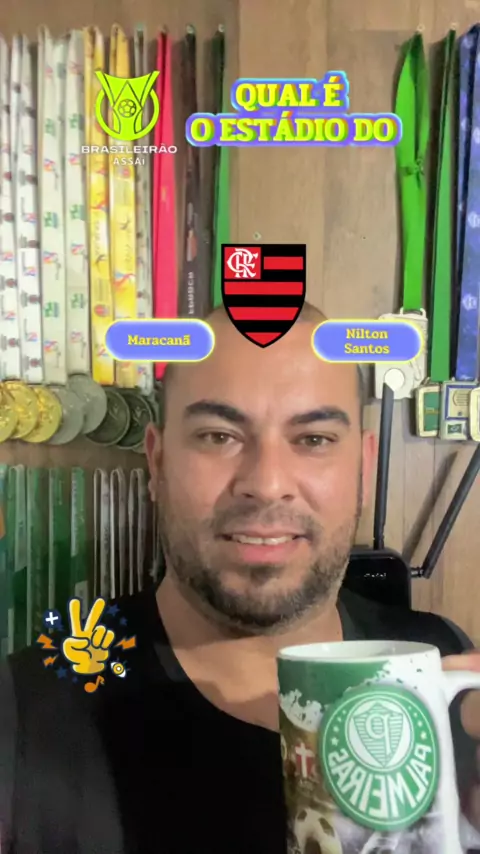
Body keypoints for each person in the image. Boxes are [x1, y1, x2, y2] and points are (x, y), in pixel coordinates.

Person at [1, 303, 480, 854]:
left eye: (314, 439)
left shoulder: (444, 665)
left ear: (364, 468)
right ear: (157, 462)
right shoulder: (24, 715)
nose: (267, 483)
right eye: (218, 436)